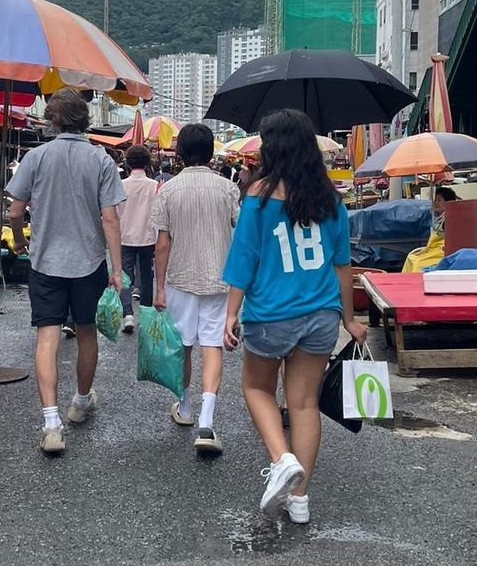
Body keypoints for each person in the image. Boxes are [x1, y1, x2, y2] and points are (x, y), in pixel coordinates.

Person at [222, 109, 367, 523]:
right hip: (321, 314)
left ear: (274, 147)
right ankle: (299, 500)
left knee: (256, 389)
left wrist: (231, 313)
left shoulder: (259, 197)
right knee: (304, 404)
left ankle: (281, 458)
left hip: (271, 314)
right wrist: (350, 320)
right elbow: (343, 264)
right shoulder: (331, 200)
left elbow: (244, 259)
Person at [6, 88, 124, 456]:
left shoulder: (36, 156)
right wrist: (117, 268)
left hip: (45, 261)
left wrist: (19, 240)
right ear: (85, 119)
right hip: (89, 261)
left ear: (53, 120)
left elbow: (14, 210)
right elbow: (110, 217)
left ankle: (51, 423)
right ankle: (80, 401)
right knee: (87, 332)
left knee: (48, 336)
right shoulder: (101, 160)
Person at [151, 123, 241, 455]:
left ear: (181, 153)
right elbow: (241, 233)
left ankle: (185, 408)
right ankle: (207, 420)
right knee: (213, 346)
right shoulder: (228, 189)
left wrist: (159, 288)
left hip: (181, 279)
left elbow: (162, 245)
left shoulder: (169, 191)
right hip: (221, 279)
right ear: (210, 151)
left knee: (184, 346)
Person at [118, 144, 158, 333]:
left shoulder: (120, 185)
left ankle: (127, 314)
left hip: (125, 237)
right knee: (147, 276)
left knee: (126, 277)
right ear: (148, 163)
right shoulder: (155, 186)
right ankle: (146, 314)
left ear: (128, 164)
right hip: (148, 237)